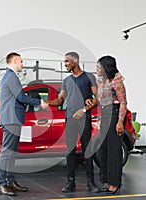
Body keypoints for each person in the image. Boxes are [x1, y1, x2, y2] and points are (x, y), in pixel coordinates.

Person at [46, 52, 100, 193]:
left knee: (87, 150)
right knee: (69, 150)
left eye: (67, 61)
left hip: (84, 119)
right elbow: (60, 101)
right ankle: (70, 182)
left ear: (75, 61)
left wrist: (84, 109)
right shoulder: (67, 81)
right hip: (69, 119)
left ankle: (91, 182)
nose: (65, 64)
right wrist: (46, 102)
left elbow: (97, 98)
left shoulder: (89, 77)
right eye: (64, 62)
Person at [0, 52, 48, 196]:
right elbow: (21, 97)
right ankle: (1, 183)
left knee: (11, 153)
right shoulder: (11, 76)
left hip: (13, 119)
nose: (22, 64)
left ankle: (9, 181)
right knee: (7, 153)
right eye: (20, 61)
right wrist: (39, 102)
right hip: (11, 119)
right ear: (13, 62)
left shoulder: (9, 76)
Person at [96, 55, 127, 195]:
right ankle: (107, 181)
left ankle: (115, 183)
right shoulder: (101, 81)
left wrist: (120, 122)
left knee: (114, 151)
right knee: (103, 150)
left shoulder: (118, 82)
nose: (97, 69)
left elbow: (123, 103)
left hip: (115, 115)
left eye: (99, 67)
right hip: (105, 114)